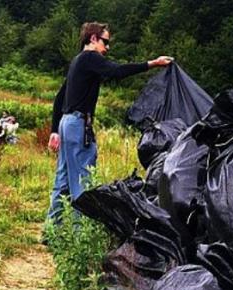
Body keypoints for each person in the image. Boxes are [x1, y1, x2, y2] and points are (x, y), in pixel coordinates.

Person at [45, 22, 172, 224]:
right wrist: (152, 64)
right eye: (105, 41)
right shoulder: (89, 57)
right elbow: (117, 71)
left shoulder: (77, 61)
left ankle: (52, 229)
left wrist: (55, 130)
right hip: (78, 124)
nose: (108, 47)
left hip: (67, 123)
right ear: (93, 39)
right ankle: (80, 235)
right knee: (83, 181)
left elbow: (60, 98)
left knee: (62, 181)